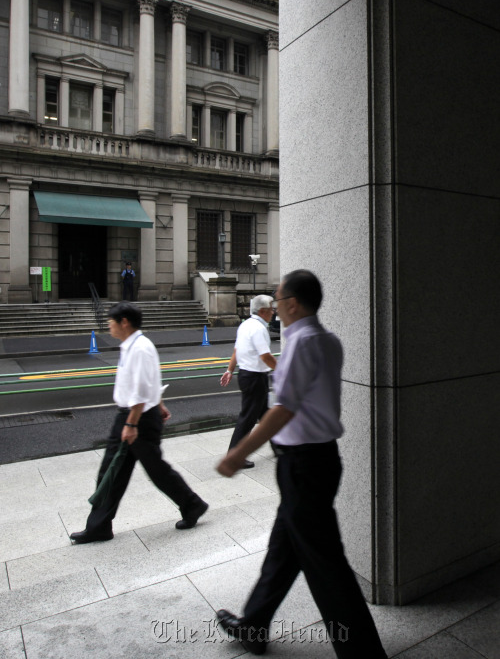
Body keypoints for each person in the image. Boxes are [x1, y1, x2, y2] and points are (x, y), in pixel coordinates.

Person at [215, 270, 388, 658]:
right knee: (283, 550)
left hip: (303, 466)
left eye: (277, 301)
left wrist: (238, 453)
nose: (275, 309)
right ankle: (254, 627)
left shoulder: (301, 342)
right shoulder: (328, 341)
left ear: (292, 303)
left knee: (327, 567)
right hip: (318, 460)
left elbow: (284, 409)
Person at [70, 302, 208, 544]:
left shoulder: (140, 348)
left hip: (137, 419)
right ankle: (100, 526)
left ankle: (192, 504)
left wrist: (132, 424)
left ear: (125, 322)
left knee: (148, 470)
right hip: (138, 415)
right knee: (116, 472)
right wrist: (159, 404)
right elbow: (146, 383)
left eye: (112, 320)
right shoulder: (131, 346)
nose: (108, 324)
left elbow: (142, 387)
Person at [220, 295, 276, 469]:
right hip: (255, 377)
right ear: (262, 311)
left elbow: (237, 349)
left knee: (267, 415)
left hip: (247, 375)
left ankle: (281, 446)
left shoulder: (245, 325)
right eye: (271, 309)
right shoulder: (259, 329)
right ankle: (235, 455)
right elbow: (265, 356)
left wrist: (230, 370)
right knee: (248, 418)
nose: (273, 312)